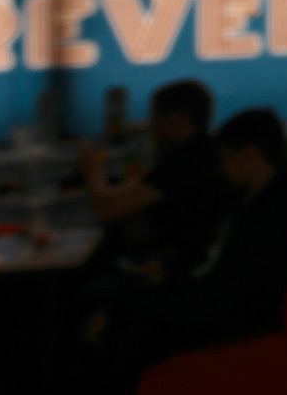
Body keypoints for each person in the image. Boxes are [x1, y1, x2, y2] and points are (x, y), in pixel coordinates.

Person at [46, 108, 287, 395]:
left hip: (223, 313)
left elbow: (229, 293)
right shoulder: (247, 197)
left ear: (250, 155)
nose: (221, 165)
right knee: (101, 310)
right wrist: (167, 268)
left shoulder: (273, 213)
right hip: (204, 298)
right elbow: (208, 256)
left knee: (114, 332)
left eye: (227, 156)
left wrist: (139, 301)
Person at [76, 79, 228, 284]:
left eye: (156, 116)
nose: (152, 125)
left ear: (176, 120)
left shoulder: (183, 160)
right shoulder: (204, 150)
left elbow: (108, 208)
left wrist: (92, 169)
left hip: (168, 271)